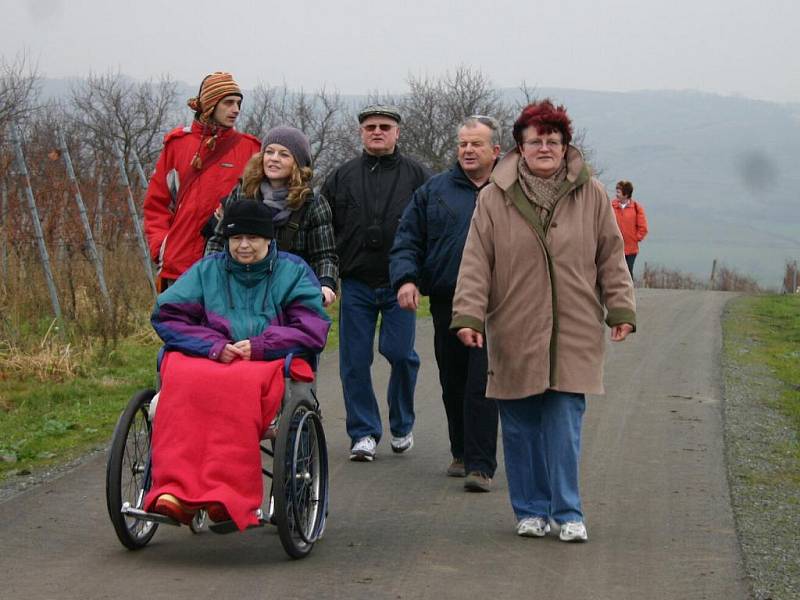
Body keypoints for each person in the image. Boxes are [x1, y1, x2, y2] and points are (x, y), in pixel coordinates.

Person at [451, 100, 636, 542]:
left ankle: (568, 511)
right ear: (520, 145)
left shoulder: (591, 193)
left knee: (564, 424)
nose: (545, 147)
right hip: (513, 325)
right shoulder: (494, 196)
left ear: (565, 145)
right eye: (536, 141)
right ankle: (530, 510)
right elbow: (477, 260)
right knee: (518, 427)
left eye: (554, 140)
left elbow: (611, 254)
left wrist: (621, 307)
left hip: (574, 326)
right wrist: (469, 314)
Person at [145, 200, 331, 531]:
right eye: (235, 239)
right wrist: (213, 346)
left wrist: (261, 346)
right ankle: (173, 490)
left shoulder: (293, 272)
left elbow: (312, 327)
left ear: (268, 238)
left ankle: (227, 496)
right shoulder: (208, 270)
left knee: (235, 393)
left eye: (252, 238)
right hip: (213, 357)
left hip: (270, 361)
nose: (243, 246)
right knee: (183, 383)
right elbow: (167, 315)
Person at [390, 115, 501, 492]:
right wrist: (406, 279)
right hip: (447, 300)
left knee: (483, 379)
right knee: (453, 378)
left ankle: (481, 465)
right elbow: (407, 238)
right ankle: (462, 450)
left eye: (476, 144)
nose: (468, 150)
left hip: (498, 303)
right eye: (463, 144)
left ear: (496, 151)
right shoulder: (434, 191)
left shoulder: (511, 191)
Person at [322, 105, 431, 461]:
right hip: (355, 282)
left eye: (385, 126)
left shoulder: (418, 175)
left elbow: (431, 226)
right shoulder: (341, 177)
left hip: (401, 283)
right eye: (370, 127)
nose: (378, 132)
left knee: (400, 354)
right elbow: (324, 228)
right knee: (354, 360)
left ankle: (401, 422)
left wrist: (421, 273)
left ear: (397, 132)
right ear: (361, 132)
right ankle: (364, 432)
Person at [143, 71, 261, 291]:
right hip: (179, 266)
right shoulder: (177, 145)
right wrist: (162, 248)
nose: (235, 109)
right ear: (210, 105)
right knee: (176, 326)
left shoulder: (251, 149)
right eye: (228, 103)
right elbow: (156, 204)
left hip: (230, 268)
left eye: (238, 103)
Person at [205, 125, 338, 306]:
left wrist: (325, 284)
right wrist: (210, 272)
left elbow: (324, 255)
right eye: (269, 152)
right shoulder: (243, 194)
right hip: (243, 288)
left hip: (291, 291)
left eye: (284, 154)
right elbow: (219, 240)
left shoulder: (312, 204)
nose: (274, 159)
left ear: (297, 163)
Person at [611, 180, 649, 278]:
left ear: (626, 194)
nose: (616, 194)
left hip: (631, 249)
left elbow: (643, 227)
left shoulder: (636, 207)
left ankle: (628, 292)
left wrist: (636, 238)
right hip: (615, 247)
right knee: (615, 272)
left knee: (628, 272)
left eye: (619, 192)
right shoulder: (611, 206)